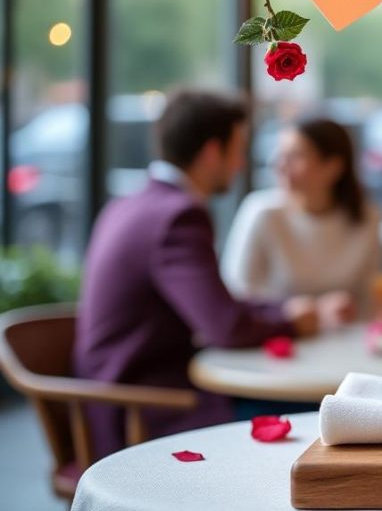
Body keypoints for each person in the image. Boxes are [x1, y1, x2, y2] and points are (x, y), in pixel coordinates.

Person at [73, 90, 319, 459]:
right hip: (144, 411)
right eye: (237, 150)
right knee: (315, 416)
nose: (240, 165)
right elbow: (226, 327)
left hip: (114, 396)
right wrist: (293, 324)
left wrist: (282, 311)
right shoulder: (178, 216)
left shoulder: (128, 204)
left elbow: (216, 306)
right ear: (210, 152)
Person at [222, 118, 382, 321]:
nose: (279, 166)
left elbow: (369, 298)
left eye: (294, 156)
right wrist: (316, 310)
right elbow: (236, 292)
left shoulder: (368, 218)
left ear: (333, 167)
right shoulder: (262, 212)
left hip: (343, 339)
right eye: (280, 155)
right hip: (275, 336)